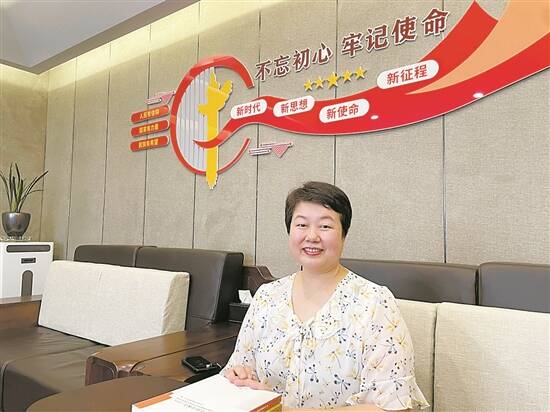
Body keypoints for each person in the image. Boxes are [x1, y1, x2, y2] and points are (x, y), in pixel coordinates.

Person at [222, 181, 429, 411]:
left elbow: (390, 405)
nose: (311, 236)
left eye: (325, 226)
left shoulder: (374, 303)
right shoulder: (267, 296)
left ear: (343, 235)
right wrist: (239, 377)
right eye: (301, 224)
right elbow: (241, 367)